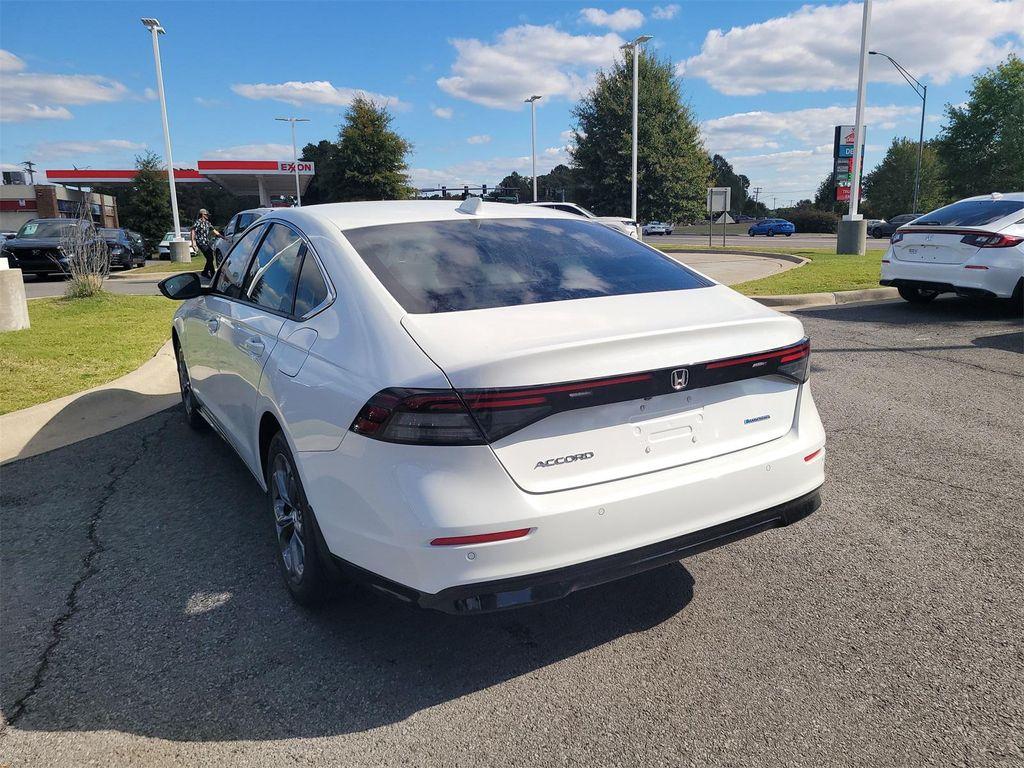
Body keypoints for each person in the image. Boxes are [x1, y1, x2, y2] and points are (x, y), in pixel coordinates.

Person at [191, 209, 222, 278]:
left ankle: (205, 272)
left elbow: (214, 231)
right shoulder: (198, 222)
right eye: (206, 215)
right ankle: (212, 274)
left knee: (210, 258)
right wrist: (193, 242)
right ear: (202, 215)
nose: (208, 216)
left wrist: (223, 237)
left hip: (206, 243)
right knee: (210, 258)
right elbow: (193, 231)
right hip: (200, 242)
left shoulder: (207, 223)